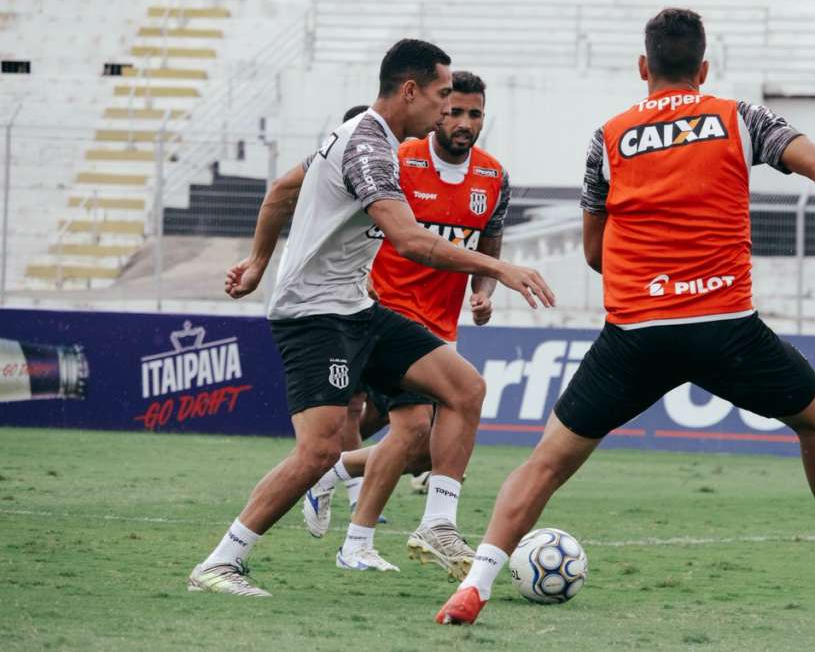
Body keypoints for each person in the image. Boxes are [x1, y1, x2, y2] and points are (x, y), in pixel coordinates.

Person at [436, 8, 815, 625]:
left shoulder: (607, 136)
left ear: (644, 67)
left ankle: (474, 586)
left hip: (635, 334)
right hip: (725, 327)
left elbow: (592, 252)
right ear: (703, 68)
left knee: (547, 461)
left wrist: (654, 279)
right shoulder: (739, 118)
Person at [187, 38, 554, 597]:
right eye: (439, 96)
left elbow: (284, 188)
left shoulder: (366, 136)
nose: (444, 110)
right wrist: (499, 269)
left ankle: (437, 525)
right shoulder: (370, 147)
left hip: (357, 305)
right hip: (314, 314)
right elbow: (408, 240)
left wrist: (260, 260)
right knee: (320, 451)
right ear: (409, 91)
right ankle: (221, 561)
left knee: (464, 388)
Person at [302, 70, 512, 578]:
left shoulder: (494, 179)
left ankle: (327, 470)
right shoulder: (398, 161)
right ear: (438, 111)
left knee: (417, 449)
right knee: (414, 424)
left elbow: (489, 249)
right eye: (455, 111)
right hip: (388, 314)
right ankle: (362, 540)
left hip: (439, 327)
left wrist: (483, 295)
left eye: (475, 113)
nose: (464, 123)